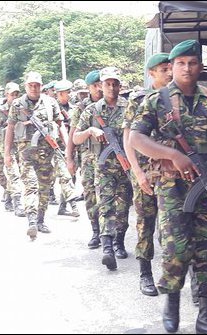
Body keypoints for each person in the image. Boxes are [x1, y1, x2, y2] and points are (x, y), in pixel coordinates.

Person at [129, 39, 207, 334]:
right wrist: (172, 155)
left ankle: (206, 316)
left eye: (192, 63)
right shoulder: (156, 101)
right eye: (181, 63)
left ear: (201, 67)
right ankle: (171, 303)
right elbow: (136, 139)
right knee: (176, 248)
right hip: (173, 189)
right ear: (172, 67)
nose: (187, 68)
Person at [73, 67, 131, 270]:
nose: (112, 87)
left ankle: (119, 242)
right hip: (103, 167)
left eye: (115, 83)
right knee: (105, 206)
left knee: (123, 209)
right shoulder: (92, 111)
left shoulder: (130, 106)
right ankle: (107, 248)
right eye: (107, 84)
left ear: (120, 85)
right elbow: (75, 137)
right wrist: (90, 130)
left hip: (126, 166)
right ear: (100, 86)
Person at [124, 53, 172, 296]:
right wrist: (137, 171)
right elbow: (128, 138)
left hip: (169, 173)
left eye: (170, 67)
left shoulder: (176, 97)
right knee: (146, 224)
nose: (170, 72)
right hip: (145, 171)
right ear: (151, 73)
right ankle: (145, 273)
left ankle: (172, 275)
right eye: (164, 69)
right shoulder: (139, 99)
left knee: (171, 226)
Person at [5, 72, 69, 239]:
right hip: (26, 155)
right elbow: (10, 129)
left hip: (47, 154)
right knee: (31, 187)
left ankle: (41, 219)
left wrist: (68, 147)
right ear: (26, 86)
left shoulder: (51, 102)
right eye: (31, 85)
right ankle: (32, 221)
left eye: (37, 85)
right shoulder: (18, 105)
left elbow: (60, 125)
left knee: (45, 188)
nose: (34, 88)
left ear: (41, 86)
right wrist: (7, 154)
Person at [67, 70, 103, 248]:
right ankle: (96, 231)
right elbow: (72, 135)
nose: (99, 89)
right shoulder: (81, 108)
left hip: (110, 159)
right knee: (90, 195)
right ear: (89, 88)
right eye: (95, 85)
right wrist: (69, 159)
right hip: (88, 158)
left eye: (100, 84)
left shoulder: (112, 103)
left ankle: (112, 235)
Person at [0, 82, 25, 216]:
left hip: (16, 147)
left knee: (14, 174)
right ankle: (8, 192)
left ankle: (17, 203)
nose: (15, 96)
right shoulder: (0, 111)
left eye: (17, 94)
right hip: (0, 146)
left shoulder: (22, 109)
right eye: (12, 94)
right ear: (7, 94)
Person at [53, 79, 80, 217]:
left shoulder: (73, 107)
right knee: (65, 176)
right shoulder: (52, 108)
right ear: (60, 94)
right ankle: (73, 205)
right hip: (57, 146)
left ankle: (63, 206)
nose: (70, 94)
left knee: (72, 175)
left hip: (72, 145)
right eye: (67, 92)